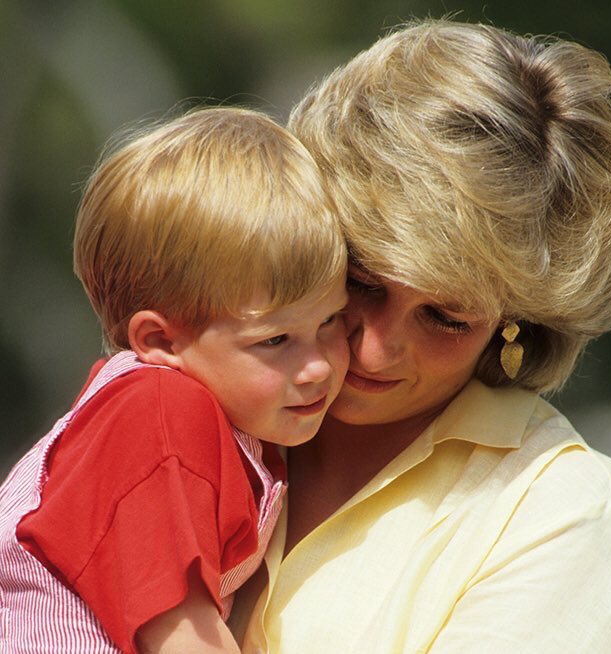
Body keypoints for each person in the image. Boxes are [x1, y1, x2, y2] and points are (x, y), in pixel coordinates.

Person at [229, 18, 611, 653]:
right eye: (361, 279)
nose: (374, 347)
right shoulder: (189, 389)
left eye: (446, 318)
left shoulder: (562, 515)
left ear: (519, 321)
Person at [0, 107, 350, 653]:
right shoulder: (157, 415)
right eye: (276, 341)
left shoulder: (220, 414)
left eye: (331, 321)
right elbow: (180, 633)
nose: (320, 366)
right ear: (161, 343)